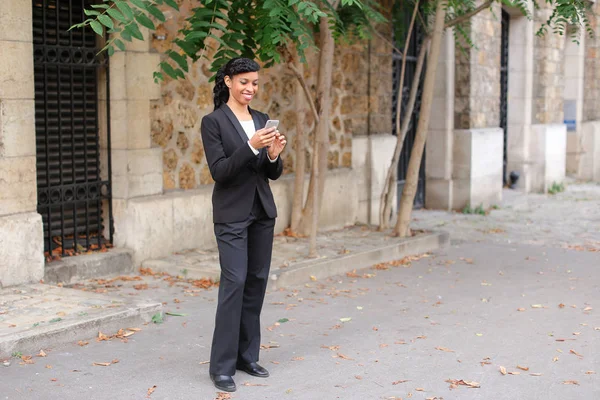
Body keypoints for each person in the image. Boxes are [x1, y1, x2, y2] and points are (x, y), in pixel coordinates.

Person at [200, 57, 287, 393]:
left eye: (254, 83)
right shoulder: (213, 122)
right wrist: (252, 146)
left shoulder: (262, 120)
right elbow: (220, 171)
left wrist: (273, 155)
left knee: (256, 282)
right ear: (228, 82)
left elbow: (269, 174)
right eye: (244, 82)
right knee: (234, 283)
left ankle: (246, 356)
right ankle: (221, 367)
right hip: (231, 213)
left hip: (261, 211)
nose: (250, 88)